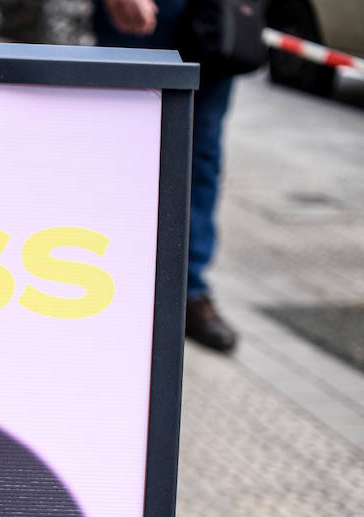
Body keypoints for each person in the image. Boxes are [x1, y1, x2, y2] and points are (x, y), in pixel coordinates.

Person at [94, 0, 238, 352]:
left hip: (218, 12)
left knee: (201, 149)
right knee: (124, 142)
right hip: (152, 12)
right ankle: (112, 283)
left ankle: (188, 290)